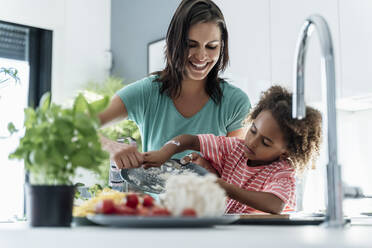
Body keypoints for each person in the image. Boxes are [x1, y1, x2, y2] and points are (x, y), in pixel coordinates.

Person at [98, 0, 250, 169]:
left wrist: (212, 170)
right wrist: (110, 146)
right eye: (190, 45)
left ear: (222, 47)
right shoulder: (146, 93)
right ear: (174, 42)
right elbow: (75, 126)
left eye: (211, 47)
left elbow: (235, 172)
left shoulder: (235, 102)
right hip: (155, 196)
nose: (201, 55)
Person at [143, 85, 322, 214]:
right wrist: (164, 152)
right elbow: (188, 140)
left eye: (265, 143)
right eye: (252, 131)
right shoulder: (235, 148)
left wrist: (224, 187)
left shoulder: (282, 172)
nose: (252, 142)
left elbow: (275, 205)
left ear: (286, 152)